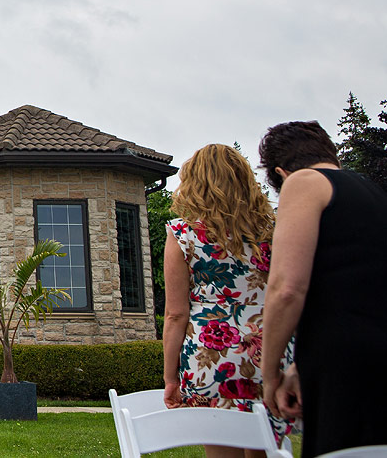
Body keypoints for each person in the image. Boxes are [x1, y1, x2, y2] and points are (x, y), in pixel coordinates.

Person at [259, 121, 387, 458]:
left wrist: (270, 373)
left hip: (346, 369)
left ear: (280, 173)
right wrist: (297, 368)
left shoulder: (303, 183)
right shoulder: (370, 191)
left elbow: (286, 289)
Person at [162, 143, 296, 457]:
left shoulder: (183, 234)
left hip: (212, 354)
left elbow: (176, 315)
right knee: (262, 448)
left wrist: (171, 377)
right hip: (269, 351)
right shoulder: (274, 230)